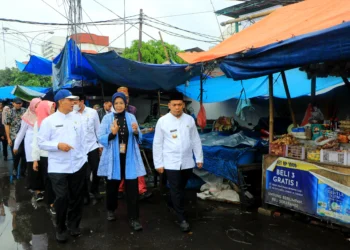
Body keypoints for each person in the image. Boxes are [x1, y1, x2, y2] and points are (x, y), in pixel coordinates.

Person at [38, 89, 88, 243]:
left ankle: (73, 225)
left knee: (77, 197)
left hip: (78, 164)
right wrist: (57, 145)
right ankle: (60, 228)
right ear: (60, 101)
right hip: (58, 167)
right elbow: (41, 142)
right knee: (62, 198)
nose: (74, 102)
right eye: (70, 100)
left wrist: (84, 158)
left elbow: (83, 139)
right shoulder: (49, 121)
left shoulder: (78, 118)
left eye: (74, 100)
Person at [153, 92, 203, 232]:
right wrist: (159, 164)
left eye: (179, 104)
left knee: (181, 187)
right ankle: (181, 218)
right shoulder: (162, 121)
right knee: (176, 188)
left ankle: (171, 203)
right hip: (170, 161)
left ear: (183, 105)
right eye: (174, 105)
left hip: (187, 161)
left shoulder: (189, 120)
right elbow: (157, 143)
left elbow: (195, 140)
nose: (177, 107)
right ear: (169, 106)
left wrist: (199, 158)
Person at [98, 92, 145, 231]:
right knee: (112, 186)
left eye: (121, 103)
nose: (119, 106)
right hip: (114, 157)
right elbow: (100, 137)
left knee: (132, 188)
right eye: (116, 103)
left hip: (129, 157)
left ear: (126, 104)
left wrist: (136, 132)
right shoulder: (107, 119)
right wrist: (112, 133)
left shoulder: (131, 117)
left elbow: (139, 136)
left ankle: (134, 218)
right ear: (113, 104)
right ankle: (111, 209)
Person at [116, 86, 152, 200]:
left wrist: (137, 132)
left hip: (131, 142)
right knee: (120, 165)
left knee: (136, 165)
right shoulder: (110, 111)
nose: (123, 96)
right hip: (118, 144)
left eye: (125, 95)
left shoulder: (132, 110)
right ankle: (119, 189)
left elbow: (134, 126)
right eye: (120, 94)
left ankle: (141, 190)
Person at [73, 94, 102, 205]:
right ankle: (85, 194)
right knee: (84, 173)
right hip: (79, 149)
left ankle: (94, 190)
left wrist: (100, 145)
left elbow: (98, 129)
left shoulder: (92, 112)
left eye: (76, 102)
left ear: (82, 101)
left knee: (96, 170)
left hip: (92, 146)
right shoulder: (71, 114)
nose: (74, 104)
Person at [13, 98, 42, 198]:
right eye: (37, 105)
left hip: (41, 144)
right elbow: (21, 132)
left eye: (40, 104)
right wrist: (16, 145)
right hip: (30, 143)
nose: (38, 107)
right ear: (32, 105)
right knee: (32, 164)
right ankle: (33, 186)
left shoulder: (44, 114)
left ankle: (38, 186)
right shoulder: (27, 116)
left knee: (40, 164)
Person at [32, 101, 56, 215]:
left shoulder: (57, 120)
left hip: (57, 154)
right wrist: (35, 159)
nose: (53, 110)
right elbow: (35, 142)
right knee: (48, 180)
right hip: (45, 156)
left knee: (58, 179)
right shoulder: (39, 123)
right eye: (51, 108)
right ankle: (51, 203)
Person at [4, 98, 27, 177]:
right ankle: (14, 169)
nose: (18, 105)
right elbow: (7, 125)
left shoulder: (25, 111)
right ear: (13, 103)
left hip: (25, 136)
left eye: (20, 103)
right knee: (16, 154)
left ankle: (22, 171)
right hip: (14, 136)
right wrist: (8, 138)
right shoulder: (9, 112)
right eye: (17, 103)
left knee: (24, 155)